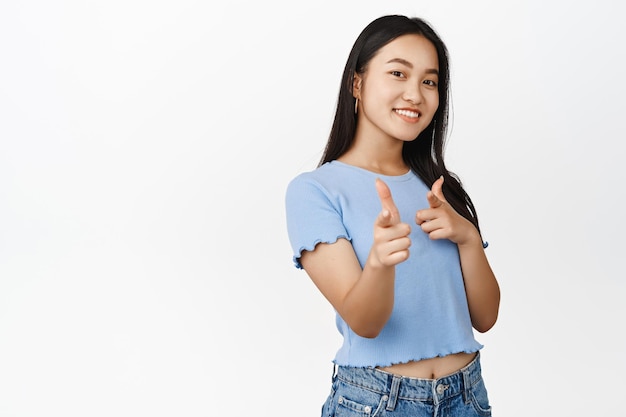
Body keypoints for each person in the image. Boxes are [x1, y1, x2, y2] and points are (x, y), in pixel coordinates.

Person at [285, 14, 500, 417]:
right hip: (379, 402)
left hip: (467, 397)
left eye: (429, 81)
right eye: (398, 73)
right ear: (357, 83)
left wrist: (468, 238)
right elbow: (365, 323)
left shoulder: (439, 187)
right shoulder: (314, 191)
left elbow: (485, 317)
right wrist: (380, 263)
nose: (415, 94)